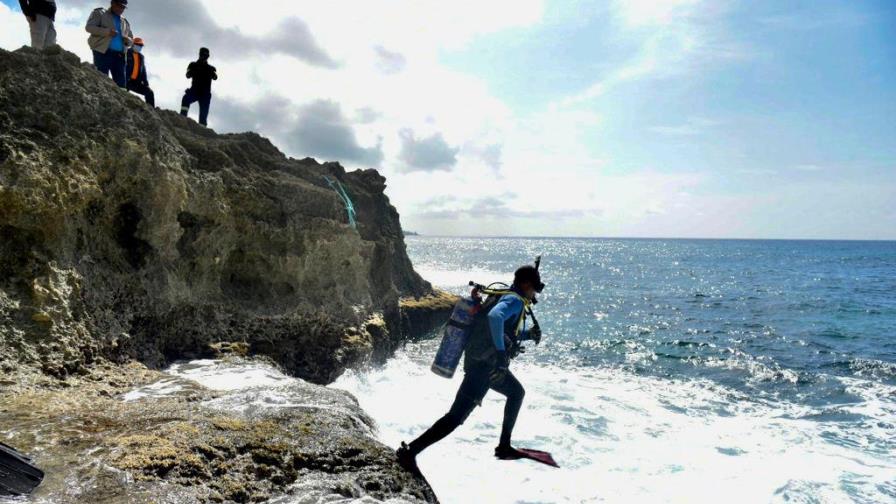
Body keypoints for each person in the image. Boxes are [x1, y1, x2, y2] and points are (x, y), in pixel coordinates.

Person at [397, 265, 545, 471]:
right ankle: (410, 452)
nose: (533, 294)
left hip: (480, 363)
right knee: (456, 417)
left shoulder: (504, 295)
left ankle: (504, 446)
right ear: (527, 284)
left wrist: (528, 335)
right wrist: (502, 355)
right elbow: (495, 318)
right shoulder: (513, 300)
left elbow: (502, 330)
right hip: (485, 368)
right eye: (534, 289)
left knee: (516, 393)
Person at [85, 0, 133, 88]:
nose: (121, 9)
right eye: (119, 6)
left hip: (120, 56)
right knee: (101, 81)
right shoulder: (99, 13)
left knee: (121, 85)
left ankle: (120, 102)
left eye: (123, 7)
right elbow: (89, 27)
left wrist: (128, 40)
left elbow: (131, 39)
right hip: (102, 53)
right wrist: (107, 32)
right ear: (112, 3)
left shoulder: (125, 22)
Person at [180, 47, 217, 127]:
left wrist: (209, 71)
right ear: (199, 54)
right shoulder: (193, 65)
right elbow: (188, 75)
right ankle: (182, 120)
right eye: (203, 54)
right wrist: (197, 68)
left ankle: (202, 129)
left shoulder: (210, 68)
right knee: (186, 99)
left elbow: (215, 77)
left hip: (205, 94)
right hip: (194, 91)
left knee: (203, 117)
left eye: (206, 55)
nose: (204, 56)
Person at [126, 37, 154, 107]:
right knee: (122, 94)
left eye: (141, 46)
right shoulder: (126, 53)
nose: (139, 47)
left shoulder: (141, 57)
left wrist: (145, 82)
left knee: (149, 92)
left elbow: (143, 70)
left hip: (136, 82)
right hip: (126, 80)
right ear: (133, 44)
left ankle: (151, 110)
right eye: (138, 45)